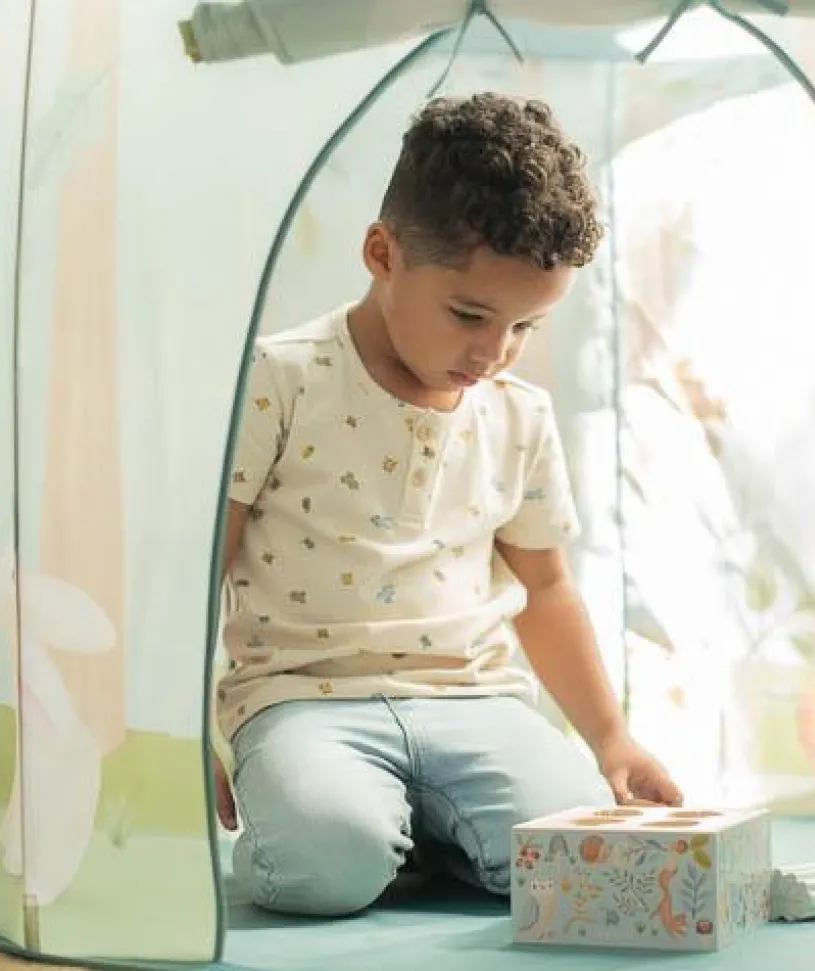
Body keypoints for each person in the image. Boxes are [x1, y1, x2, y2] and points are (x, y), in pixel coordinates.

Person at [213, 92, 682, 918]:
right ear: (381, 253)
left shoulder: (519, 414)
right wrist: (185, 725)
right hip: (301, 699)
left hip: (474, 699)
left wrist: (611, 736)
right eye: (470, 315)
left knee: (571, 853)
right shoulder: (279, 379)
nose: (494, 352)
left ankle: (419, 833)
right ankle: (367, 832)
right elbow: (200, 570)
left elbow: (546, 589)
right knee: (328, 858)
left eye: (526, 327)